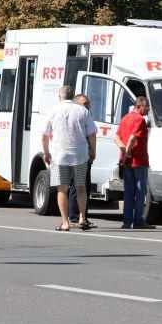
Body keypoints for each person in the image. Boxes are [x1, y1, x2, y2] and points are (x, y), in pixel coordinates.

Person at [42, 86, 97, 232]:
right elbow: (92, 133)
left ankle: (65, 223)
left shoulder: (53, 111)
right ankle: (82, 218)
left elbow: (45, 135)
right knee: (81, 187)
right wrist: (93, 150)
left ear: (59, 96)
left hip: (59, 155)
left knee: (62, 189)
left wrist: (46, 153)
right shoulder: (83, 111)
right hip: (80, 154)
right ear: (73, 96)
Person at [115, 96, 154, 229]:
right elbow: (132, 138)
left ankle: (127, 221)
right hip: (139, 160)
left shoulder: (125, 118)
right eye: (146, 106)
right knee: (140, 192)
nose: (148, 109)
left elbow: (116, 138)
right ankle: (138, 221)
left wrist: (124, 153)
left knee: (128, 192)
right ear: (139, 106)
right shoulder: (140, 119)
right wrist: (128, 151)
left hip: (127, 162)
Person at [69, 94, 94, 228]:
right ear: (76, 104)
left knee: (85, 187)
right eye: (85, 104)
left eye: (88, 104)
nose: (87, 106)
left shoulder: (86, 116)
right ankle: (74, 217)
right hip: (77, 156)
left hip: (85, 155)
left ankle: (83, 216)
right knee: (77, 186)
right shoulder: (75, 117)